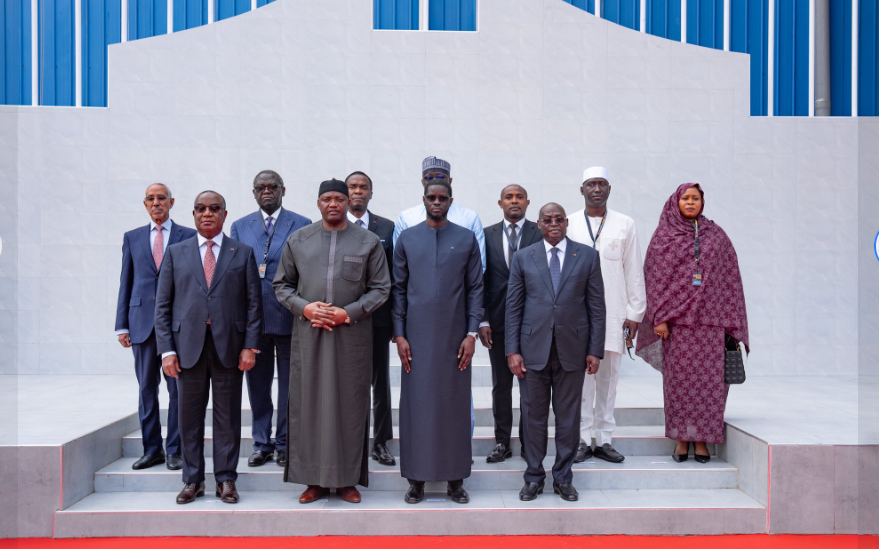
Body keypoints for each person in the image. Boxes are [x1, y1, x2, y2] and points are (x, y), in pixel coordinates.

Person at [273, 179, 391, 504]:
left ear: (348, 200)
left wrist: (348, 313)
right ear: (318, 203)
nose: (334, 204)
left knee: (350, 406)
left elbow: (381, 288)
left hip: (352, 338)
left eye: (340, 198)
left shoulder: (367, 241)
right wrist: (306, 308)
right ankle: (314, 481)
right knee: (308, 405)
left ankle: (348, 480)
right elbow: (281, 285)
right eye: (327, 198)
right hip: (309, 338)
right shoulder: (299, 240)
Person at [155, 191, 263, 505]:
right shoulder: (177, 253)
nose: (207, 213)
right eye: (201, 208)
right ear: (192, 214)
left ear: (224, 214)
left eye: (214, 208)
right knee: (188, 418)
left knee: (227, 418)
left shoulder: (241, 252)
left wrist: (250, 347)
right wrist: (167, 350)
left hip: (229, 348)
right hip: (186, 349)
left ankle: (226, 480)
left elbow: (254, 305)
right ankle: (193, 480)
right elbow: (162, 306)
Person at [636, 183, 749, 464]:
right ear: (676, 202)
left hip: (710, 325)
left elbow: (730, 277)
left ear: (702, 202)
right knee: (679, 385)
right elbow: (653, 278)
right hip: (677, 328)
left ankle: (702, 441)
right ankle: (681, 439)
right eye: (685, 198)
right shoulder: (664, 236)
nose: (690, 202)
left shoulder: (716, 235)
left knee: (708, 386)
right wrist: (659, 317)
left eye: (695, 198)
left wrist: (729, 320)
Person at [505, 203, 606, 502]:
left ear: (566, 223)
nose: (553, 224)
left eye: (559, 219)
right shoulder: (523, 258)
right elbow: (513, 308)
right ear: (538, 224)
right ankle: (534, 477)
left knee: (568, 418)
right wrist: (512, 350)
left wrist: (595, 350)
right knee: (533, 417)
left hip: (573, 351)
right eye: (547, 219)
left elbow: (597, 308)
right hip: (532, 351)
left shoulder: (587, 256)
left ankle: (563, 477)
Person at [392, 180, 484, 505]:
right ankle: (415, 480)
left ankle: (455, 481)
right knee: (416, 407)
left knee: (453, 407)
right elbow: (398, 290)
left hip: (455, 340)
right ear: (424, 199)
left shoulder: (466, 237)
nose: (436, 202)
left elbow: (475, 290)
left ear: (450, 201)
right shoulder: (407, 238)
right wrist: (399, 334)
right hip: (415, 340)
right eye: (431, 197)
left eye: (442, 198)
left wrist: (472, 334)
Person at [230, 170, 311, 469]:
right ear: (253, 193)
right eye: (261, 187)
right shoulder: (239, 227)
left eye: (272, 187)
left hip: (289, 318)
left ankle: (285, 443)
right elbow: (235, 272)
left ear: (283, 190)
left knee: (290, 386)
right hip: (254, 321)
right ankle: (261, 443)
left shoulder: (302, 225)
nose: (267, 191)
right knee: (258, 386)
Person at [567, 167, 646, 464]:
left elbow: (633, 271)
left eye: (601, 184)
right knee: (581, 381)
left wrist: (635, 313)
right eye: (591, 184)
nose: (596, 189)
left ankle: (605, 439)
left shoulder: (625, 224)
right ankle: (582, 439)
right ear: (582, 189)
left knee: (609, 379)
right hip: (577, 317)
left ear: (609, 189)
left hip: (614, 314)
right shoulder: (570, 223)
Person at [115, 183, 196, 472]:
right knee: (147, 389)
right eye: (151, 199)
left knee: (177, 390)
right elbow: (127, 281)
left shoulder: (189, 236)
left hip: (177, 326)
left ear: (171, 202)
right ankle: (152, 450)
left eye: (161, 198)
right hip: (141, 326)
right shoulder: (133, 237)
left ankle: (174, 450)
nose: (156, 202)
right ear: (145, 203)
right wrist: (121, 324)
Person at [478, 184, 541, 463]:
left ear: (527, 202)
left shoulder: (539, 232)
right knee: (501, 386)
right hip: (498, 323)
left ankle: (530, 444)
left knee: (531, 388)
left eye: (519, 197)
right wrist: (481, 319)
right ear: (500, 202)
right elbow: (478, 278)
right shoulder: (486, 234)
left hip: (533, 325)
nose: (514, 201)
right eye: (508, 197)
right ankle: (502, 442)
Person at [345, 171, 396, 467]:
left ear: (371, 193)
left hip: (377, 320)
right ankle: (352, 441)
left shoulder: (386, 227)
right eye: (353, 187)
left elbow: (394, 278)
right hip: (345, 320)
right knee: (350, 383)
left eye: (364, 187)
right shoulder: (336, 227)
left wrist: (394, 323)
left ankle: (380, 442)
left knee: (381, 383)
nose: (358, 192)